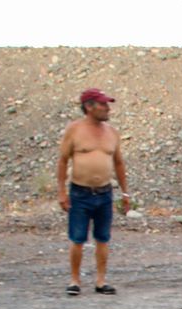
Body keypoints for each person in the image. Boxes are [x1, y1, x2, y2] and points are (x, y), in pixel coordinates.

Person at [57, 88, 129, 296]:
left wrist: (125, 194)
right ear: (89, 107)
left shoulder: (112, 132)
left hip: (105, 193)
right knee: (78, 238)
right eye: (103, 104)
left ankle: (100, 281)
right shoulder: (74, 130)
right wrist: (62, 192)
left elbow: (119, 163)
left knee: (103, 238)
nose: (108, 108)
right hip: (80, 193)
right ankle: (75, 280)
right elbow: (63, 161)